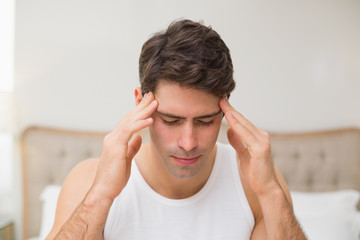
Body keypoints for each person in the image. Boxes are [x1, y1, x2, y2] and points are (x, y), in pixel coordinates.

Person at [46, 19, 307, 239]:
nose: (188, 142)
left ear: (225, 108)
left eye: (206, 121)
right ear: (141, 103)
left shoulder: (255, 184)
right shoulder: (88, 182)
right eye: (170, 120)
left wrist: (271, 192)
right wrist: (101, 194)